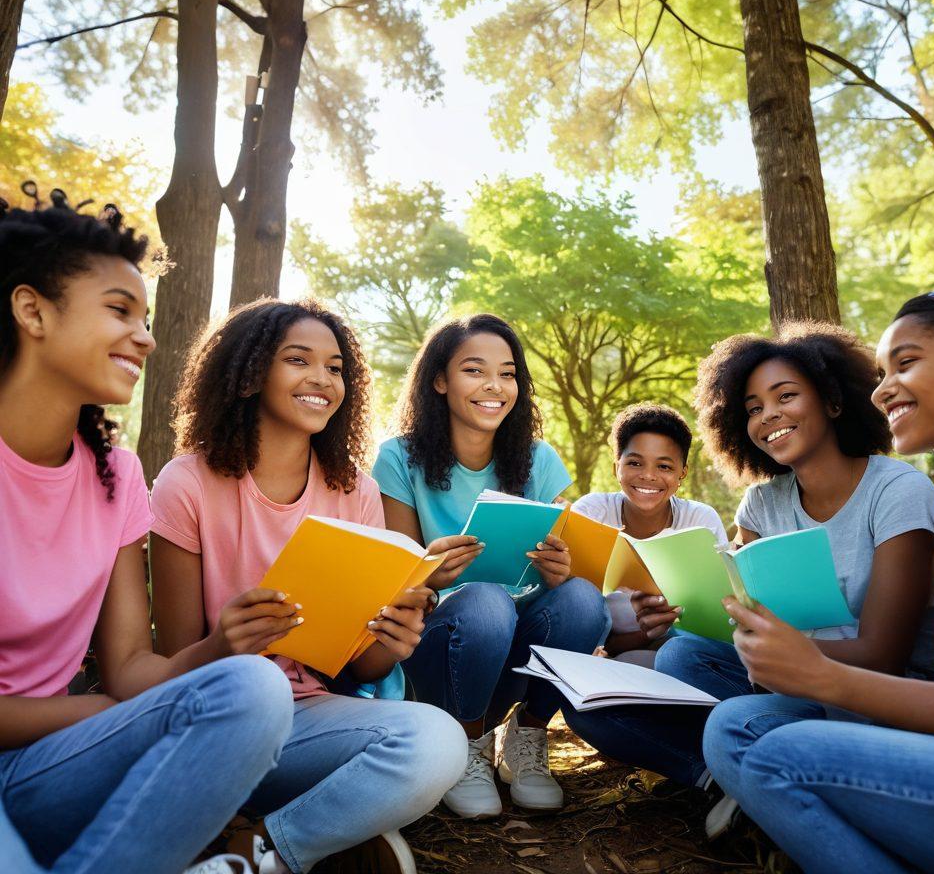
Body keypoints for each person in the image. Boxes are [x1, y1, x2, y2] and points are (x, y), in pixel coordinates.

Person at [0, 201, 294, 874]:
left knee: (254, 690)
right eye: (118, 310)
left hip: (52, 766)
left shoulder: (116, 474)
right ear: (32, 310)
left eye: (146, 318)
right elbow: (116, 699)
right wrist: (96, 713)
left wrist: (221, 646)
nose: (146, 338)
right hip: (68, 733)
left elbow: (131, 666)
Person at [555, 323, 934, 822]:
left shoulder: (896, 491)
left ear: (833, 401)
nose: (768, 416)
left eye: (785, 396)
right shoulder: (760, 503)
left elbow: (884, 656)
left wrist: (776, 649)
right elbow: (732, 613)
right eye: (753, 408)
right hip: (786, 685)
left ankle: (758, 769)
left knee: (730, 715)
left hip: (873, 694)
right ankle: (727, 778)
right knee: (643, 675)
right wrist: (675, 613)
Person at [703, 282, 934, 873]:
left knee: (779, 759)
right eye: (880, 372)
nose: (883, 388)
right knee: (731, 727)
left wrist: (826, 678)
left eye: (906, 363)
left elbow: (894, 661)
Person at [149, 299, 467, 874]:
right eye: (299, 360)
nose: (323, 379)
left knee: (439, 741)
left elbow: (362, 668)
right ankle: (328, 826)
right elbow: (174, 664)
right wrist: (226, 642)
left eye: (337, 367)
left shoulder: (355, 491)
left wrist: (391, 641)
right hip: (215, 722)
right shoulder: (186, 483)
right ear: (249, 374)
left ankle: (265, 847)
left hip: (308, 719)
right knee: (256, 698)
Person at [372, 313, 609, 818]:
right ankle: (467, 745)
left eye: (508, 374)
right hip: (438, 647)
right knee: (484, 602)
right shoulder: (398, 458)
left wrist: (559, 568)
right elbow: (396, 582)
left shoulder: (538, 460)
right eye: (474, 370)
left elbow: (562, 563)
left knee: (584, 599)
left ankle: (527, 737)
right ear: (439, 380)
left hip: (515, 648)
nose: (494, 387)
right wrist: (428, 572)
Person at [572, 402, 726, 663]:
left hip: (680, 653)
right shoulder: (591, 513)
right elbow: (575, 615)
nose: (648, 476)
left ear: (682, 473)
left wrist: (662, 628)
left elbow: (715, 624)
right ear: (616, 467)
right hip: (601, 654)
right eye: (634, 463)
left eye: (664, 467)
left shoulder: (700, 522)